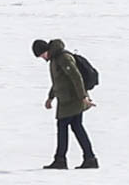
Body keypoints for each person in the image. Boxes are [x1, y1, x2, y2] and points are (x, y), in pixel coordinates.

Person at [32, 39, 98, 169]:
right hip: (67, 100)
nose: (42, 58)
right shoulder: (55, 59)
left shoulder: (63, 58)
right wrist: (50, 97)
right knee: (77, 127)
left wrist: (83, 97)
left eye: (42, 55)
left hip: (73, 100)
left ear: (46, 50)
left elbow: (76, 77)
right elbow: (59, 81)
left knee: (63, 127)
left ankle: (61, 160)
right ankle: (90, 158)